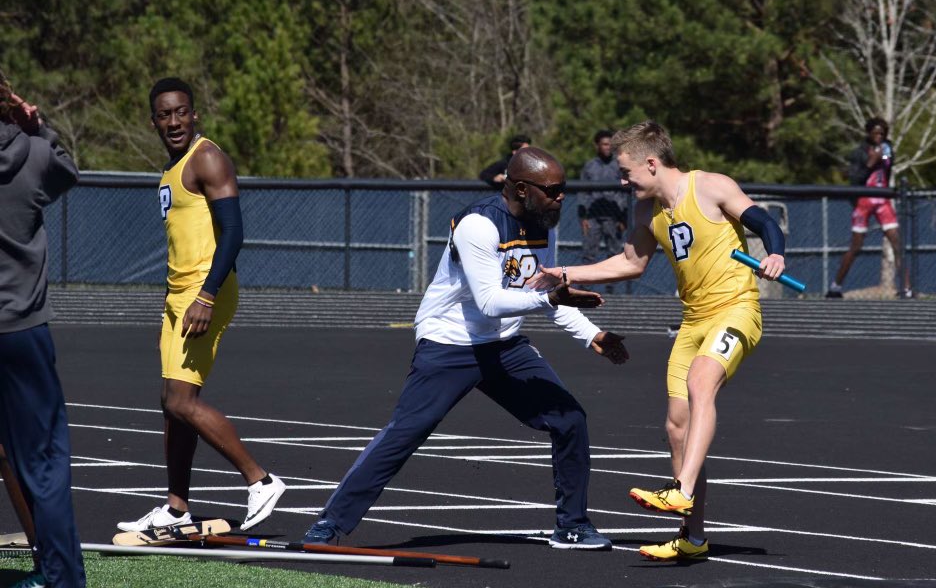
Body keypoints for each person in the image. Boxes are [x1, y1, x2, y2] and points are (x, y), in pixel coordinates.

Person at [302, 147, 629, 550]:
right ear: (523, 189)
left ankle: (573, 526)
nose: (562, 196)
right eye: (554, 189)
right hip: (449, 343)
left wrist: (590, 334)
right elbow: (492, 300)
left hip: (504, 345)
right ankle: (330, 524)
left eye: (564, 188)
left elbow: (542, 291)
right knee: (405, 433)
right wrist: (553, 300)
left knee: (569, 419)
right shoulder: (478, 225)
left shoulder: (543, 224)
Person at [527, 120, 787, 562]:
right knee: (676, 425)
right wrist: (564, 273)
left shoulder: (709, 186)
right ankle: (693, 538)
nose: (624, 182)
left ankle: (680, 490)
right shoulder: (649, 214)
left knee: (702, 383)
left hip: (736, 310)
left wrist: (777, 250)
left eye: (627, 172)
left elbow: (760, 218)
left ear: (651, 163)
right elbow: (629, 263)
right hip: (693, 321)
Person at [117, 78, 285, 534]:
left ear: (195, 115)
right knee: (170, 403)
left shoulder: (206, 157)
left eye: (181, 112)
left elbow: (233, 232)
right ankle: (176, 510)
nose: (173, 121)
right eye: (164, 114)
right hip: (178, 297)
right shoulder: (171, 168)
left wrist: (206, 295)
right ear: (153, 121)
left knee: (182, 400)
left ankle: (261, 480)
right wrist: (176, 301)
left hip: (204, 294)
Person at [0, 88, 86, 588]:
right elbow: (68, 170)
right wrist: (39, 126)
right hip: (22, 330)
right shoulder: (32, 152)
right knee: (46, 461)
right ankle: (62, 577)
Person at [826, 117, 911, 298]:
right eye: (876, 133)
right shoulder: (859, 152)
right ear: (869, 133)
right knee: (856, 246)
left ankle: (906, 288)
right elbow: (855, 178)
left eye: (882, 133)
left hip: (882, 199)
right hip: (864, 200)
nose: (879, 137)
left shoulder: (887, 148)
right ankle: (836, 286)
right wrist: (871, 162)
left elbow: (888, 163)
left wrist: (885, 156)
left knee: (896, 242)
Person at [579, 129, 629, 292]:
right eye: (605, 144)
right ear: (597, 146)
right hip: (593, 216)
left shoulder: (619, 165)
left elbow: (624, 192)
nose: (608, 147)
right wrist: (583, 217)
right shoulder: (590, 166)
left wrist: (623, 217)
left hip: (613, 217)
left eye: (610, 144)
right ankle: (585, 290)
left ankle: (611, 290)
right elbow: (582, 192)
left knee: (614, 254)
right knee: (589, 253)